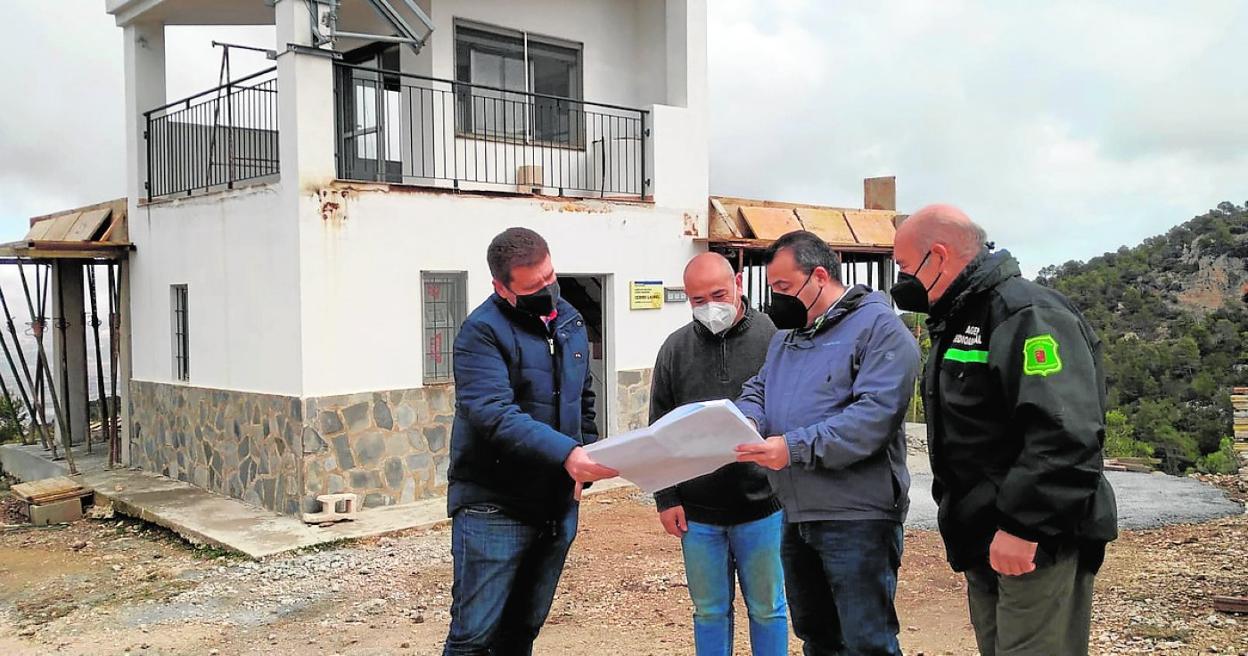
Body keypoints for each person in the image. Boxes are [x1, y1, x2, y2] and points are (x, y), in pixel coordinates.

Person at [891, 204, 1118, 656]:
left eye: (903, 267)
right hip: (985, 538)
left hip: (1034, 542)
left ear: (938, 257)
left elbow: (1065, 433)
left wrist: (1022, 527)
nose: (900, 282)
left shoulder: (1027, 315)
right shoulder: (959, 321)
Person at [735, 230, 920, 655]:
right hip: (797, 512)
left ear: (819, 276)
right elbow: (759, 388)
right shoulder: (788, 336)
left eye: (783, 287)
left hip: (858, 517)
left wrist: (791, 448)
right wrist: (746, 418)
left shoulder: (880, 330)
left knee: (867, 641)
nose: (776, 298)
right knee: (817, 637)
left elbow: (871, 420)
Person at [443, 227, 619, 655]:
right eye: (534, 286)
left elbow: (584, 395)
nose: (548, 290)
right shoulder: (480, 333)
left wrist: (588, 453)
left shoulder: (570, 319)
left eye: (550, 277)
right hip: (495, 507)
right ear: (502, 288)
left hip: (556, 505)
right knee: (473, 636)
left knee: (521, 631)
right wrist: (568, 454)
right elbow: (493, 414)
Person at [650, 252, 787, 655]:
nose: (710, 306)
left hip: (765, 507)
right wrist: (667, 497)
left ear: (739, 284)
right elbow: (659, 428)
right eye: (697, 300)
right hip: (698, 514)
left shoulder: (776, 338)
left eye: (718, 293)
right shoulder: (674, 349)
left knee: (768, 609)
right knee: (708, 611)